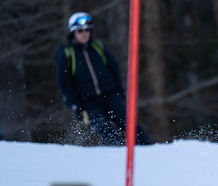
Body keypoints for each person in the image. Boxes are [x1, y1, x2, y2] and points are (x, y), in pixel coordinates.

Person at [56, 12, 150, 146]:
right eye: (80, 31)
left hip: (111, 95)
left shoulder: (98, 47)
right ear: (73, 32)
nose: (84, 33)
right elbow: (64, 83)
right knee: (105, 131)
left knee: (129, 126)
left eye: (87, 30)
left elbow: (114, 68)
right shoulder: (67, 54)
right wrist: (76, 104)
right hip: (89, 102)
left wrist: (119, 91)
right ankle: (116, 155)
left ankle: (149, 150)